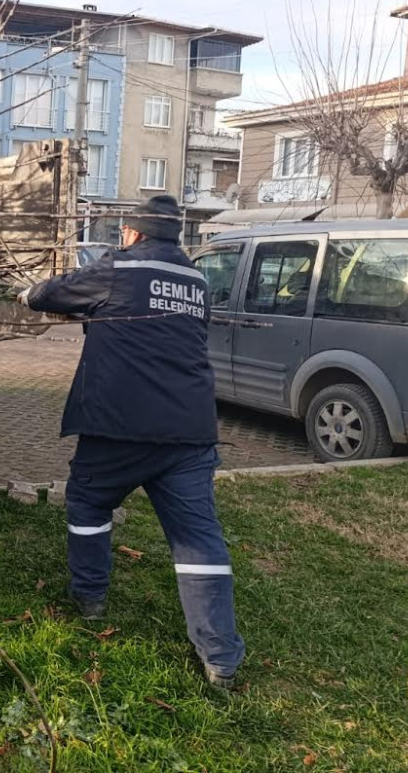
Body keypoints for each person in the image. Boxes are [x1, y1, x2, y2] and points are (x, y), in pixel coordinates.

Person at [18, 194, 245, 689]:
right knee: (197, 540)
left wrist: (26, 292)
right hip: (189, 431)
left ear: (135, 234)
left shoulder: (119, 269)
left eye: (123, 233)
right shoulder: (197, 281)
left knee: (87, 502)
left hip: (119, 426)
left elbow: (47, 295)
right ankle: (220, 659)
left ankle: (90, 599)